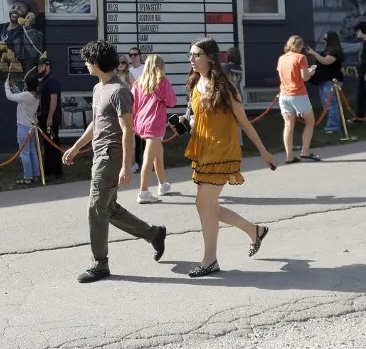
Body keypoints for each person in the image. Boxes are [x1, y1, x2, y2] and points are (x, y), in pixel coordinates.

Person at [62, 40, 167, 283]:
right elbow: (96, 122)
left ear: (97, 63)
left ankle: (100, 264)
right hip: (100, 154)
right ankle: (153, 234)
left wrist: (126, 166)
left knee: (96, 209)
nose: (86, 65)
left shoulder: (120, 91)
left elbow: (127, 130)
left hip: (111, 155)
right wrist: (77, 147)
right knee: (108, 209)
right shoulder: (100, 88)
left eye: (88, 61)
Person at [182, 37, 278, 278]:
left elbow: (245, 123)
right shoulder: (196, 83)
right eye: (190, 55)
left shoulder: (227, 89)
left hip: (222, 153)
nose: (191, 59)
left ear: (210, 58)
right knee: (209, 206)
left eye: (196, 55)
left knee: (203, 205)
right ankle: (254, 231)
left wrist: (264, 152)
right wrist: (186, 122)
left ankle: (210, 260)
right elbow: (199, 119)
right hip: (203, 151)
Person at [132, 55, 177, 203]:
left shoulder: (139, 83)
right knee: (149, 158)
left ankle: (162, 184)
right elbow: (172, 102)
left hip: (141, 122)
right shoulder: (162, 82)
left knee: (158, 153)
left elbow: (133, 105)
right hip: (155, 123)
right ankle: (143, 192)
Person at [277, 36, 319, 163]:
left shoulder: (281, 58)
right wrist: (311, 71)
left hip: (284, 94)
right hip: (298, 94)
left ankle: (289, 156)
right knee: (310, 121)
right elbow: (305, 78)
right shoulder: (301, 58)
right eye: (302, 47)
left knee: (288, 125)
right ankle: (305, 152)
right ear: (299, 46)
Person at [5, 76, 40, 186]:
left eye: (25, 83)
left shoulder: (26, 96)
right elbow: (20, 96)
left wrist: (6, 85)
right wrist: (13, 86)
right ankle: (36, 175)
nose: (24, 84)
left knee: (24, 153)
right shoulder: (36, 96)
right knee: (33, 152)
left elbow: (10, 96)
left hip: (23, 126)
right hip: (31, 127)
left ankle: (27, 178)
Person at [307, 32, 344, 134]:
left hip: (331, 81)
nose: (323, 40)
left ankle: (333, 127)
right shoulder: (327, 50)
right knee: (326, 104)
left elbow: (326, 61)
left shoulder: (335, 51)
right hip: (323, 81)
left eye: (325, 39)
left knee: (331, 104)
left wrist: (314, 53)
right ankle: (331, 124)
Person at [36, 56, 63, 180]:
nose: (39, 68)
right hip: (44, 118)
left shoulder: (52, 80)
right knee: (47, 144)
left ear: (47, 66)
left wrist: (50, 118)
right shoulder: (44, 80)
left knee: (53, 144)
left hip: (50, 119)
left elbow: (54, 99)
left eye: (41, 66)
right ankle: (48, 169)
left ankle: (56, 171)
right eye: (38, 66)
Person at [116, 53, 143, 173]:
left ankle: (132, 163)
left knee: (130, 139)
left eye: (123, 63)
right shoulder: (114, 76)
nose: (121, 65)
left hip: (128, 108)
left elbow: (137, 89)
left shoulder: (128, 75)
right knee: (119, 138)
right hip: (117, 110)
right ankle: (122, 164)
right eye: (119, 63)